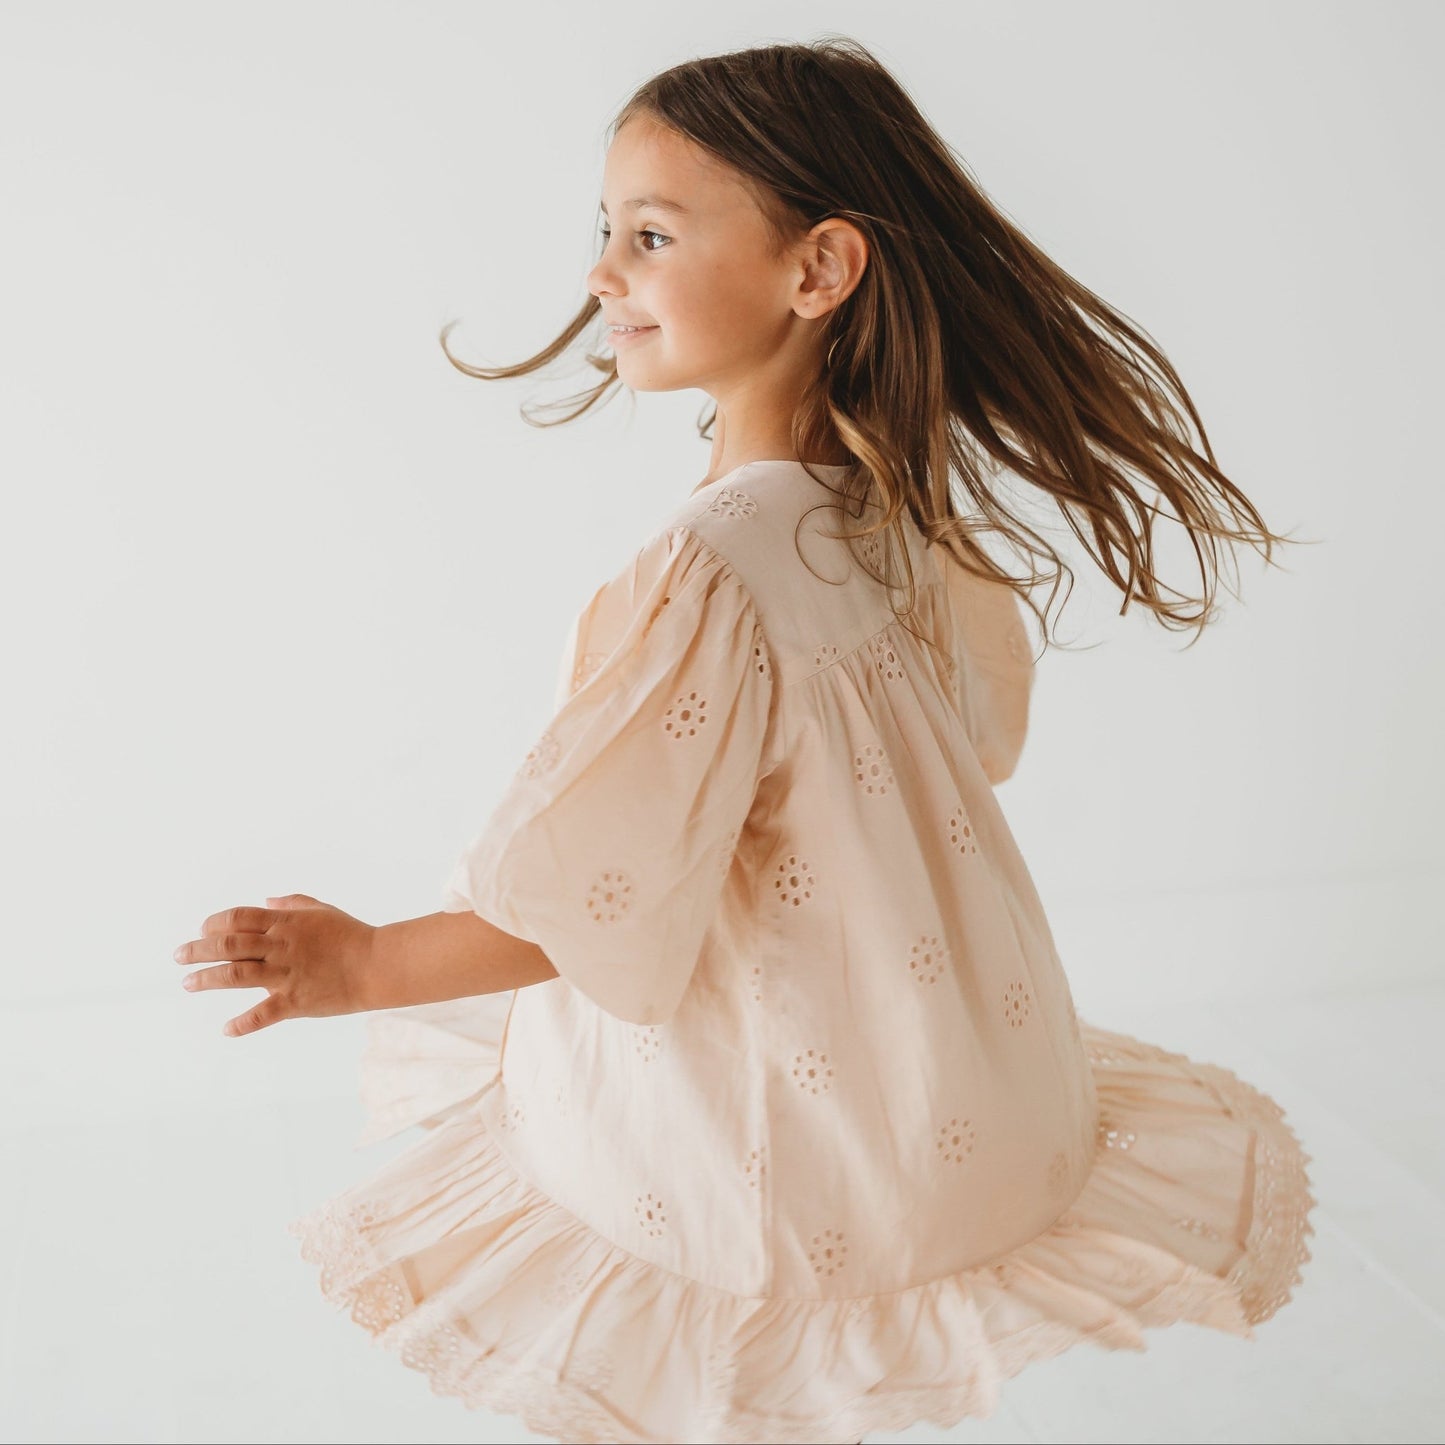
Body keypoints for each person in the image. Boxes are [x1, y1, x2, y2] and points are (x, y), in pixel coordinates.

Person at [173, 36, 1317, 1445]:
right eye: (605, 232)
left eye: (650, 235)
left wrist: (367, 964)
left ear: (816, 269)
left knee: (736, 1366)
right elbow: (974, 735)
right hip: (918, 1078)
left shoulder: (713, 565)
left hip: (751, 1125)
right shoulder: (885, 506)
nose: (602, 272)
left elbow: (593, 896)